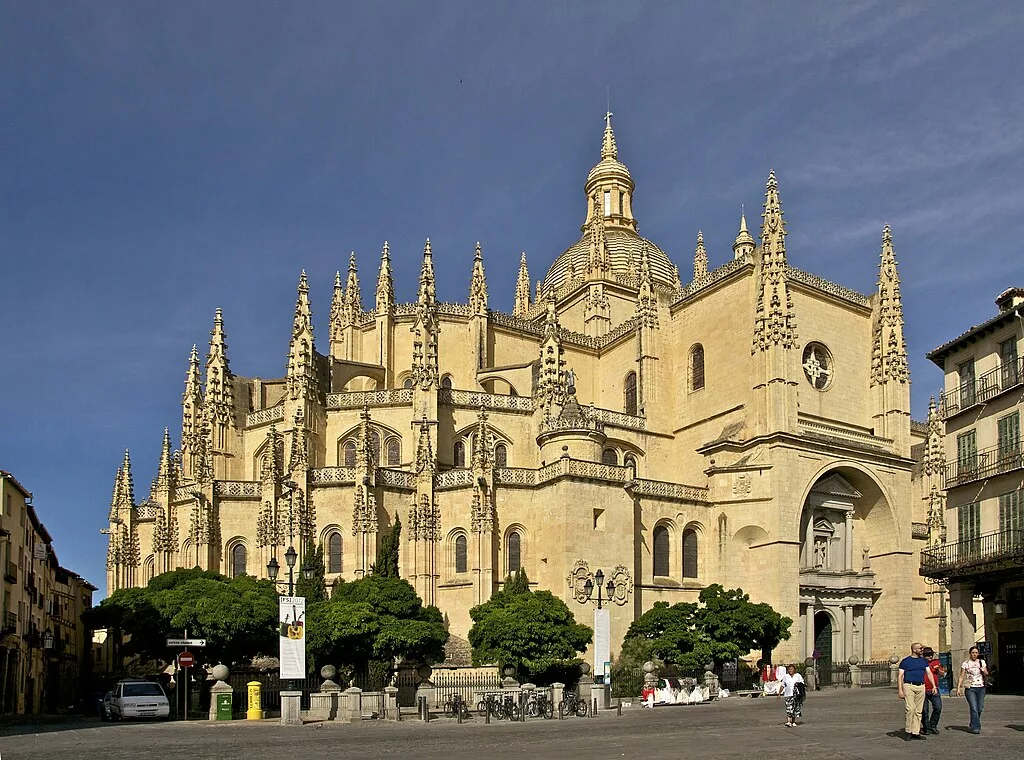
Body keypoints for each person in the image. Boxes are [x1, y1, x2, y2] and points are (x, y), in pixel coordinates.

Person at [898, 642, 929, 740]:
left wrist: (933, 686)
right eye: (920, 648)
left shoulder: (923, 661)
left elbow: (929, 673)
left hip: (921, 686)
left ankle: (916, 731)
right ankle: (908, 731)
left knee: (918, 711)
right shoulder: (905, 661)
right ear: (914, 650)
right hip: (909, 685)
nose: (922, 650)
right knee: (910, 709)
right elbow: (900, 676)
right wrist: (900, 690)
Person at [955, 645, 988, 734]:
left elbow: (986, 673)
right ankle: (976, 727)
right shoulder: (966, 663)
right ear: (970, 653)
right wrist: (958, 688)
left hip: (981, 687)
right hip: (970, 688)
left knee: (980, 708)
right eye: (973, 653)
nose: (975, 654)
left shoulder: (981, 662)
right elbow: (961, 676)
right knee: (974, 708)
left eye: (976, 653)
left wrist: (983, 670)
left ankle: (973, 722)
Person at [920, 646, 945, 734]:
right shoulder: (920, 663)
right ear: (923, 655)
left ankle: (933, 725)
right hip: (923, 689)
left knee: (938, 708)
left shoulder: (936, 662)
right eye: (927, 655)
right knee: (924, 711)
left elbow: (943, 674)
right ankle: (926, 727)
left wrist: (938, 669)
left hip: (934, 689)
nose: (930, 656)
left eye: (931, 654)